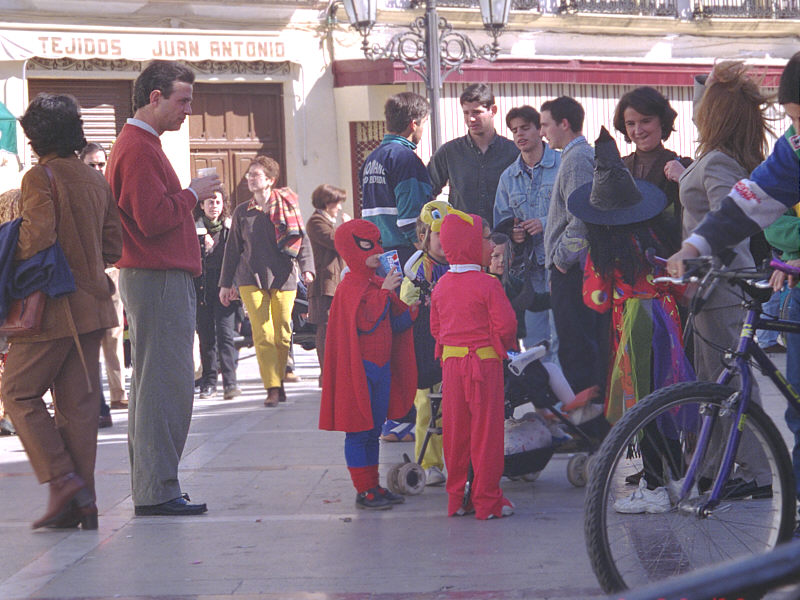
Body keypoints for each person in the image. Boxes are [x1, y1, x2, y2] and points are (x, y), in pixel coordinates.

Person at [668, 52, 800, 517]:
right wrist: (696, 246)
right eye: (794, 120)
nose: (799, 131)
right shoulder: (795, 147)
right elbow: (751, 201)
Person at [2, 93, 122, 529]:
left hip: (49, 310)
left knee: (17, 392)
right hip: (93, 307)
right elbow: (114, 246)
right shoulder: (95, 179)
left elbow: (37, 237)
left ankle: (61, 479)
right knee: (79, 408)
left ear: (36, 137)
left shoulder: (41, 177)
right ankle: (82, 503)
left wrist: (9, 244)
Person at [107, 60, 221, 517]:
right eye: (183, 100)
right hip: (157, 278)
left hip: (156, 276)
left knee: (156, 384)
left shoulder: (140, 144)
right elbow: (153, 219)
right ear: (154, 97)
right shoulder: (138, 147)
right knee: (164, 386)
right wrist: (193, 193)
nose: (188, 110)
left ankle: (156, 485)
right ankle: (158, 489)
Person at [570, 127, 693, 423]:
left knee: (635, 394)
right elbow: (679, 286)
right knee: (665, 387)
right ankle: (674, 460)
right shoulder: (654, 236)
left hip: (628, 321)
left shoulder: (603, 252)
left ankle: (642, 461)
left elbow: (595, 299)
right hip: (666, 315)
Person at [318, 219, 418, 510]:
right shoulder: (350, 288)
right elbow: (366, 320)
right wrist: (386, 292)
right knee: (359, 430)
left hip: (381, 368)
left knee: (373, 430)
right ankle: (364, 489)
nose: (377, 250)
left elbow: (392, 322)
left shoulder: (374, 284)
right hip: (361, 370)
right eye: (368, 245)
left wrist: (413, 310)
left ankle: (372, 484)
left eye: (378, 243)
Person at [430, 210, 517, 519]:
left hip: (452, 368)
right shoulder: (488, 284)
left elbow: (436, 329)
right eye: (484, 238)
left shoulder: (441, 286)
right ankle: (487, 501)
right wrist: (496, 345)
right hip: (484, 367)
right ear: (469, 244)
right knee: (487, 435)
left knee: (455, 435)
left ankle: (456, 499)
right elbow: (506, 326)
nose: (489, 244)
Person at [218, 156, 314, 407]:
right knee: (263, 333)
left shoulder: (287, 207)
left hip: (284, 277)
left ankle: (279, 377)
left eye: (256, 175)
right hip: (250, 278)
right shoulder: (242, 211)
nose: (250, 179)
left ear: (270, 180)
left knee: (282, 333)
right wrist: (226, 284)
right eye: (249, 175)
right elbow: (232, 250)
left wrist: (307, 269)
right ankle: (272, 386)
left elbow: (302, 241)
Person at [539, 96, 606, 397]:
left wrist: (562, 260)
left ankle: (592, 428)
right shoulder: (574, 156)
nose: (543, 132)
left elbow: (580, 217)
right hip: (573, 270)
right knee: (574, 347)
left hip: (574, 272)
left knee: (576, 348)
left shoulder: (578, 158)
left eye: (545, 125)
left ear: (564, 124)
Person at [493, 105, 561, 354]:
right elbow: (501, 226)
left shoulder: (562, 165)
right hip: (529, 274)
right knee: (533, 343)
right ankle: (539, 391)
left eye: (525, 128)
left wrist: (544, 222)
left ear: (540, 131)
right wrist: (514, 234)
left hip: (560, 265)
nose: (519, 134)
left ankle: (562, 393)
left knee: (561, 339)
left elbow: (577, 212)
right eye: (514, 130)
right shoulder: (508, 177)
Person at [399, 201, 453, 486]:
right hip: (428, 347)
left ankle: (455, 458)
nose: (444, 241)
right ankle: (429, 462)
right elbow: (407, 302)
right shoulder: (418, 268)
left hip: (457, 344)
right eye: (438, 234)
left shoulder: (461, 263)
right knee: (428, 407)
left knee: (453, 407)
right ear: (424, 237)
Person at [79, 142, 127, 430]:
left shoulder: (112, 191)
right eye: (92, 165)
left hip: (111, 271)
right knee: (88, 338)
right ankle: (94, 401)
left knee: (114, 334)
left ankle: (119, 393)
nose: (98, 169)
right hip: (85, 275)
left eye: (101, 164)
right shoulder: (77, 193)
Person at [428, 83, 518, 228]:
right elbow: (427, 192)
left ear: (493, 110)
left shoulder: (513, 152)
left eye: (476, 112)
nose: (471, 119)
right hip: (461, 238)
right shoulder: (449, 152)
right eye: (466, 113)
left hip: (503, 239)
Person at [360, 92, 432, 267]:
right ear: (414, 124)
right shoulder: (406, 159)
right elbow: (410, 219)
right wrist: (428, 256)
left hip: (380, 254)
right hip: (406, 254)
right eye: (424, 123)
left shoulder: (371, 159)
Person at [612, 86, 692, 236]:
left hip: (672, 257)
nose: (638, 130)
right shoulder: (617, 169)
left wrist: (685, 179)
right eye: (630, 123)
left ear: (662, 121)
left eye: (646, 121)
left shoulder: (685, 167)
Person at [194, 189, 240, 400]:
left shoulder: (230, 230)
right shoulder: (193, 230)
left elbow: (239, 259)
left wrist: (235, 286)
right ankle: (209, 382)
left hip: (225, 289)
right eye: (210, 202)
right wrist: (203, 249)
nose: (214, 206)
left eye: (218, 202)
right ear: (201, 205)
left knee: (225, 336)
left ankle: (230, 383)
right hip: (202, 290)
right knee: (206, 337)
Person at [306, 184, 348, 385]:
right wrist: (347, 227)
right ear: (326, 203)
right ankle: (326, 375)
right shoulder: (316, 222)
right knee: (324, 329)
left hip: (334, 282)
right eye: (336, 203)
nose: (339, 208)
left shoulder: (327, 220)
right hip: (324, 284)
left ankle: (333, 372)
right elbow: (336, 241)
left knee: (333, 329)